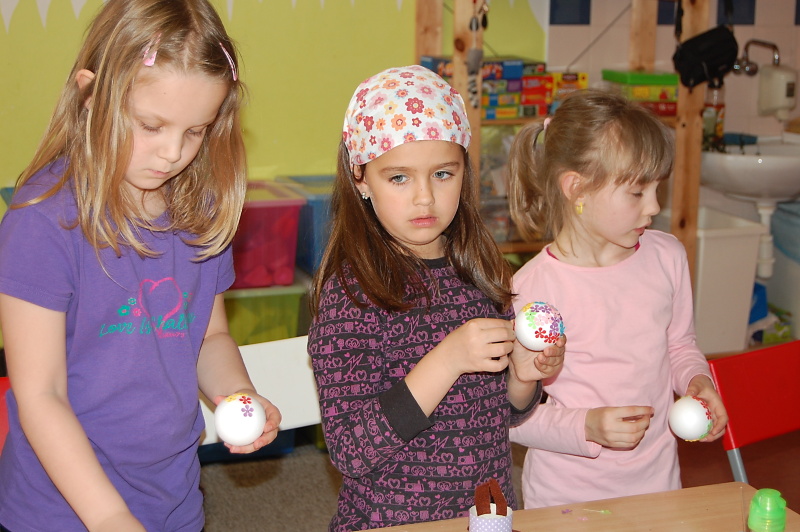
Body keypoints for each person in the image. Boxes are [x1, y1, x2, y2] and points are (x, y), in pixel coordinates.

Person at [0, 1, 282, 530]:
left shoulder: (199, 213)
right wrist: (109, 516)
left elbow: (209, 337)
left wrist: (236, 393)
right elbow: (41, 395)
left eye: (195, 131)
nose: (172, 152)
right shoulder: (41, 223)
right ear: (90, 95)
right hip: (63, 509)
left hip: (172, 497)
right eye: (151, 125)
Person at [307, 65, 565, 531]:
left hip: (486, 517)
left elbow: (502, 413)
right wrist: (447, 361)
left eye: (443, 174)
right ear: (361, 178)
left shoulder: (480, 271)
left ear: (464, 172)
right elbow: (351, 450)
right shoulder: (351, 295)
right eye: (399, 178)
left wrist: (524, 377)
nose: (424, 198)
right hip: (391, 521)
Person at [506, 88, 729, 509]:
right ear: (577, 189)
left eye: (658, 188)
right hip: (565, 500)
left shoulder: (667, 257)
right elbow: (511, 419)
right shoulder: (532, 292)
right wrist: (586, 426)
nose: (654, 206)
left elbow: (680, 345)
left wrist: (698, 382)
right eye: (637, 192)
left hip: (657, 485)